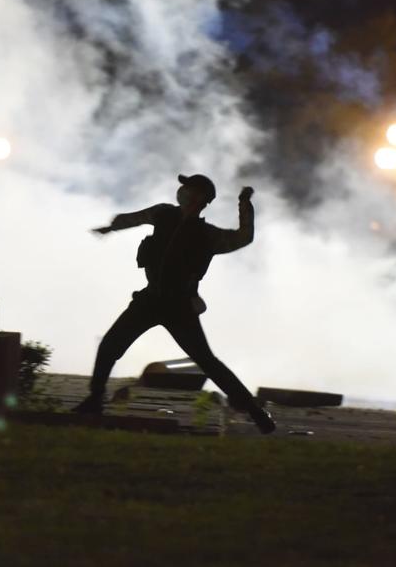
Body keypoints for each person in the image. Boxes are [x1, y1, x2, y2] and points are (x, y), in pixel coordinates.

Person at [73, 173, 276, 434]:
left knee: (206, 361)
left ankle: (254, 411)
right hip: (150, 300)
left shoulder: (207, 235)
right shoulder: (163, 214)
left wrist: (244, 204)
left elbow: (244, 236)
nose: (182, 192)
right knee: (110, 346)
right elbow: (135, 218)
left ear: (199, 197)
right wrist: (111, 228)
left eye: (188, 188)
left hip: (179, 306)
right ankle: (95, 399)